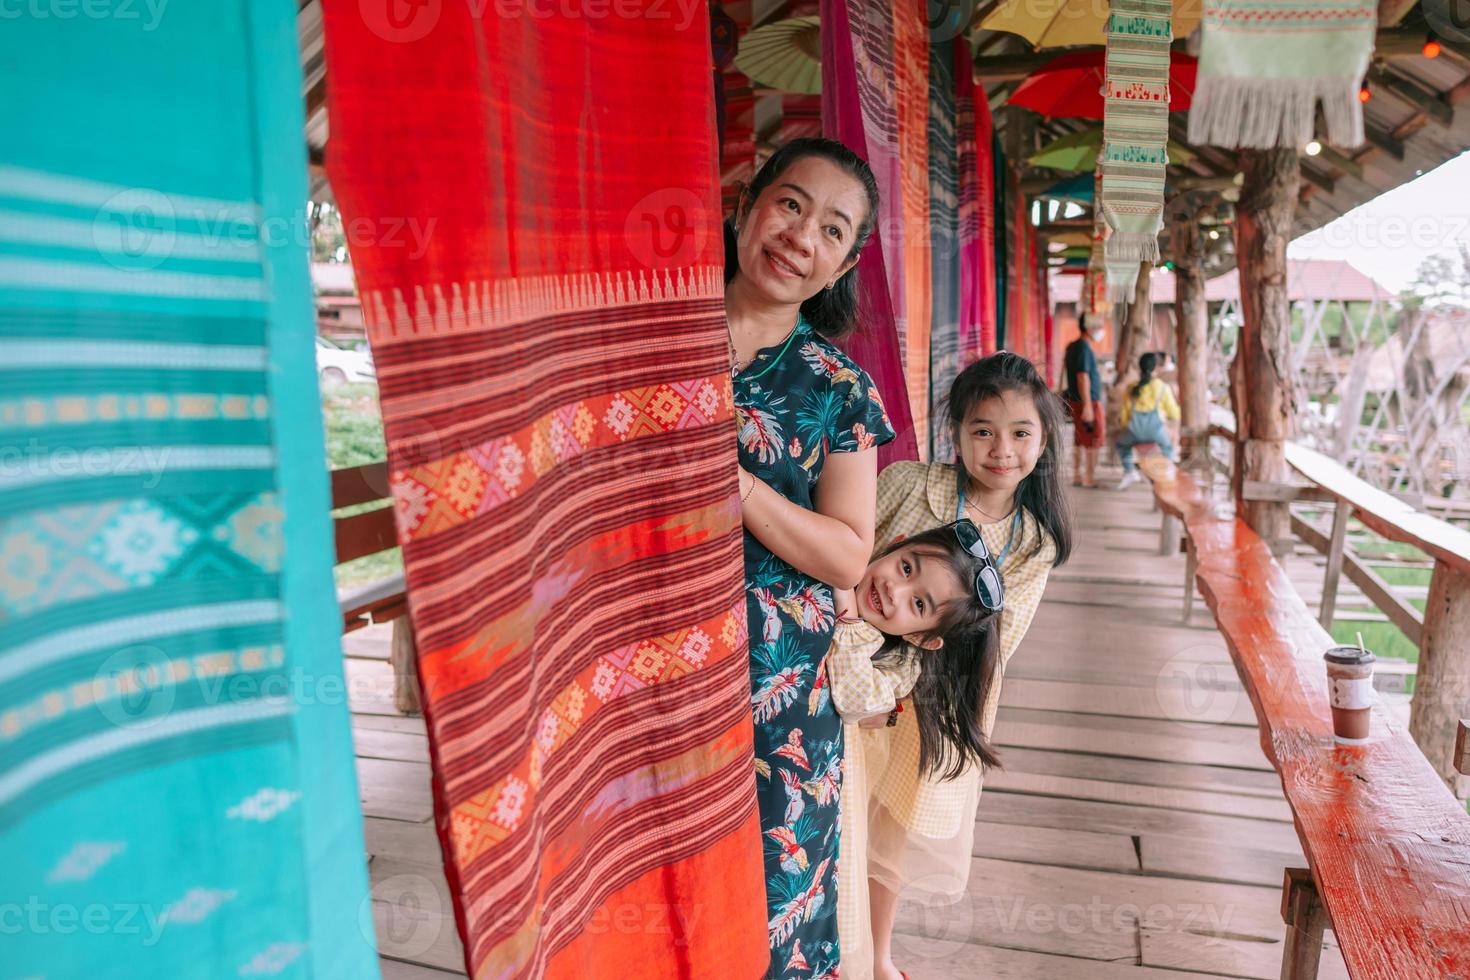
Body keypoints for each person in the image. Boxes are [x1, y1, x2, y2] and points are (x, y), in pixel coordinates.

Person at [728, 136, 896, 978]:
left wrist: (737, 485)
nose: (802, 236)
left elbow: (846, 552)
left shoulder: (840, 390)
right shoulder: (650, 339)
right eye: (790, 204)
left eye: (833, 229)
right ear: (746, 205)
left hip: (777, 698)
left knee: (774, 910)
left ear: (843, 265)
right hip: (634, 676)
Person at [853, 352, 1073, 980]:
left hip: (935, 700)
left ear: (1043, 440)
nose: (1001, 449)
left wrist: (898, 690)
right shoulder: (907, 484)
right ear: (958, 433)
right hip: (850, 667)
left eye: (1020, 433)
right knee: (845, 802)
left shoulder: (1034, 543)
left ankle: (878, 953)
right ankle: (831, 937)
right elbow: (853, 558)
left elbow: (997, 642)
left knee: (891, 825)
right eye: (983, 430)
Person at [823, 523, 1005, 980]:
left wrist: (846, 615)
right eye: (906, 567)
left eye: (918, 604)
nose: (894, 589)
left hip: (834, 783)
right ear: (896, 543)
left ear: (925, 637)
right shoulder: (831, 562)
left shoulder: (903, 662)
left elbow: (856, 699)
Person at [1115, 351, 1181, 490]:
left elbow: (1124, 415)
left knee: (1121, 444)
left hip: (1133, 432)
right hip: (1156, 433)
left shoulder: (1131, 388)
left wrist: (1128, 427)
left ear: (1140, 367)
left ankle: (1129, 471)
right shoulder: (1162, 387)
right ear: (1156, 367)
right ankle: (1165, 471)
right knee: (1168, 447)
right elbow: (1174, 413)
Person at [1062, 316, 1105, 488]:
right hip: (1087, 401)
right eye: (1099, 325)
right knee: (1093, 439)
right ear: (1089, 327)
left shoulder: (1072, 346)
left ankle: (1078, 476)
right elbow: (1083, 376)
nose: (1101, 329)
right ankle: (1088, 477)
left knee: (1080, 439)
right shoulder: (1083, 347)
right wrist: (1088, 406)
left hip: (1076, 399)